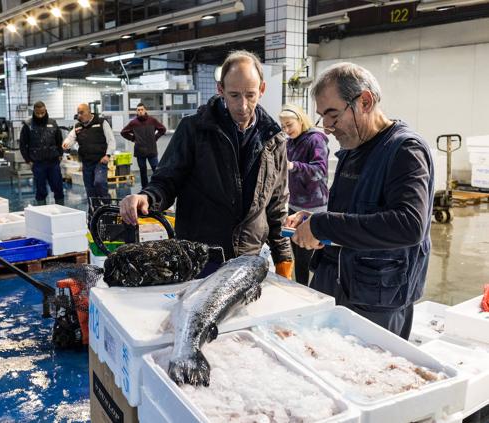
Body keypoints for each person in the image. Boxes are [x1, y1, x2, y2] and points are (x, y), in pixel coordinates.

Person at [286, 62, 434, 339]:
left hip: (376, 299)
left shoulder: (405, 150)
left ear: (365, 101)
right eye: (322, 117)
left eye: (333, 115)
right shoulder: (352, 149)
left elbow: (409, 225)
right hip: (334, 284)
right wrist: (312, 223)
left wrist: (325, 226)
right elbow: (351, 218)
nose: (327, 127)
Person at [119, 50, 293, 278]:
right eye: (234, 95)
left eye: (250, 95)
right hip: (201, 258)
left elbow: (277, 205)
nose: (242, 105)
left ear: (261, 89)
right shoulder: (193, 129)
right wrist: (147, 197)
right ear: (220, 90)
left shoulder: (274, 139)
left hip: (249, 259)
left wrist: (284, 258)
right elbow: (167, 181)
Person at [278, 104, 329, 285]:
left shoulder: (316, 140)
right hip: (294, 206)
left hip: (314, 209)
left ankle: (314, 295)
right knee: (298, 258)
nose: (286, 129)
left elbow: (320, 171)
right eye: (283, 126)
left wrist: (293, 166)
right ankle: (300, 293)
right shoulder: (290, 142)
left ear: (300, 120)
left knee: (311, 260)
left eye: (289, 124)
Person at [63, 103, 116, 211]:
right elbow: (70, 138)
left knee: (99, 182)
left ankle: (108, 206)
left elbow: (111, 140)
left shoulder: (101, 122)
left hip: (100, 161)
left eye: (81, 113)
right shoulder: (78, 127)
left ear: (89, 111)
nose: (79, 115)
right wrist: (66, 143)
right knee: (90, 189)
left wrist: (108, 155)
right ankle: (94, 211)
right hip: (86, 163)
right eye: (78, 113)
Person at [20, 101, 65, 205]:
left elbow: (59, 140)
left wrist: (60, 154)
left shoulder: (53, 123)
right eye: (37, 113)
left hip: (53, 162)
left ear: (45, 111)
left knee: (58, 187)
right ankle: (42, 212)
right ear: (34, 112)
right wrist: (28, 160)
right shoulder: (28, 125)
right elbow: (23, 145)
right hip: (37, 163)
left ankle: (62, 211)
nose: (40, 115)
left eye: (42, 113)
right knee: (41, 190)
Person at [120, 103, 166, 189]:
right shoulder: (133, 123)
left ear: (145, 110)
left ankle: (158, 186)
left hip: (151, 150)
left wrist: (155, 137)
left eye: (142, 109)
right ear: (136, 112)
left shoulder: (152, 120)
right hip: (140, 151)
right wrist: (133, 138)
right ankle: (144, 187)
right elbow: (123, 132)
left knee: (156, 169)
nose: (140, 111)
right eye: (138, 110)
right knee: (142, 170)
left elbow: (162, 129)